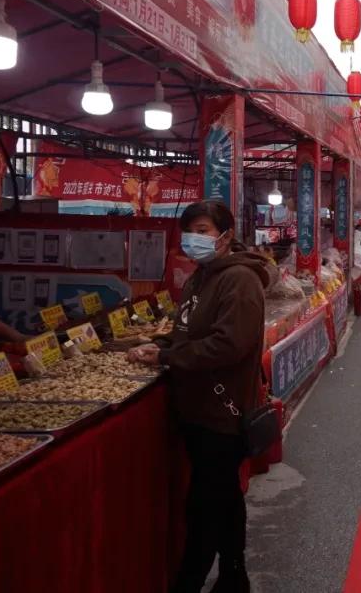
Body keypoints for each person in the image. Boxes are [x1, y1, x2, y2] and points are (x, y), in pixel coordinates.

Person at [127, 200, 269, 593]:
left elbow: (229, 345)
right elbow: (189, 330)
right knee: (223, 496)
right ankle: (234, 575)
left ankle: (191, 582)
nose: (195, 238)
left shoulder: (238, 279)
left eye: (204, 230)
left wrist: (170, 356)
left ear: (225, 235)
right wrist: (158, 342)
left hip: (223, 411)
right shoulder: (200, 276)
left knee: (205, 506)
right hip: (197, 408)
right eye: (190, 231)